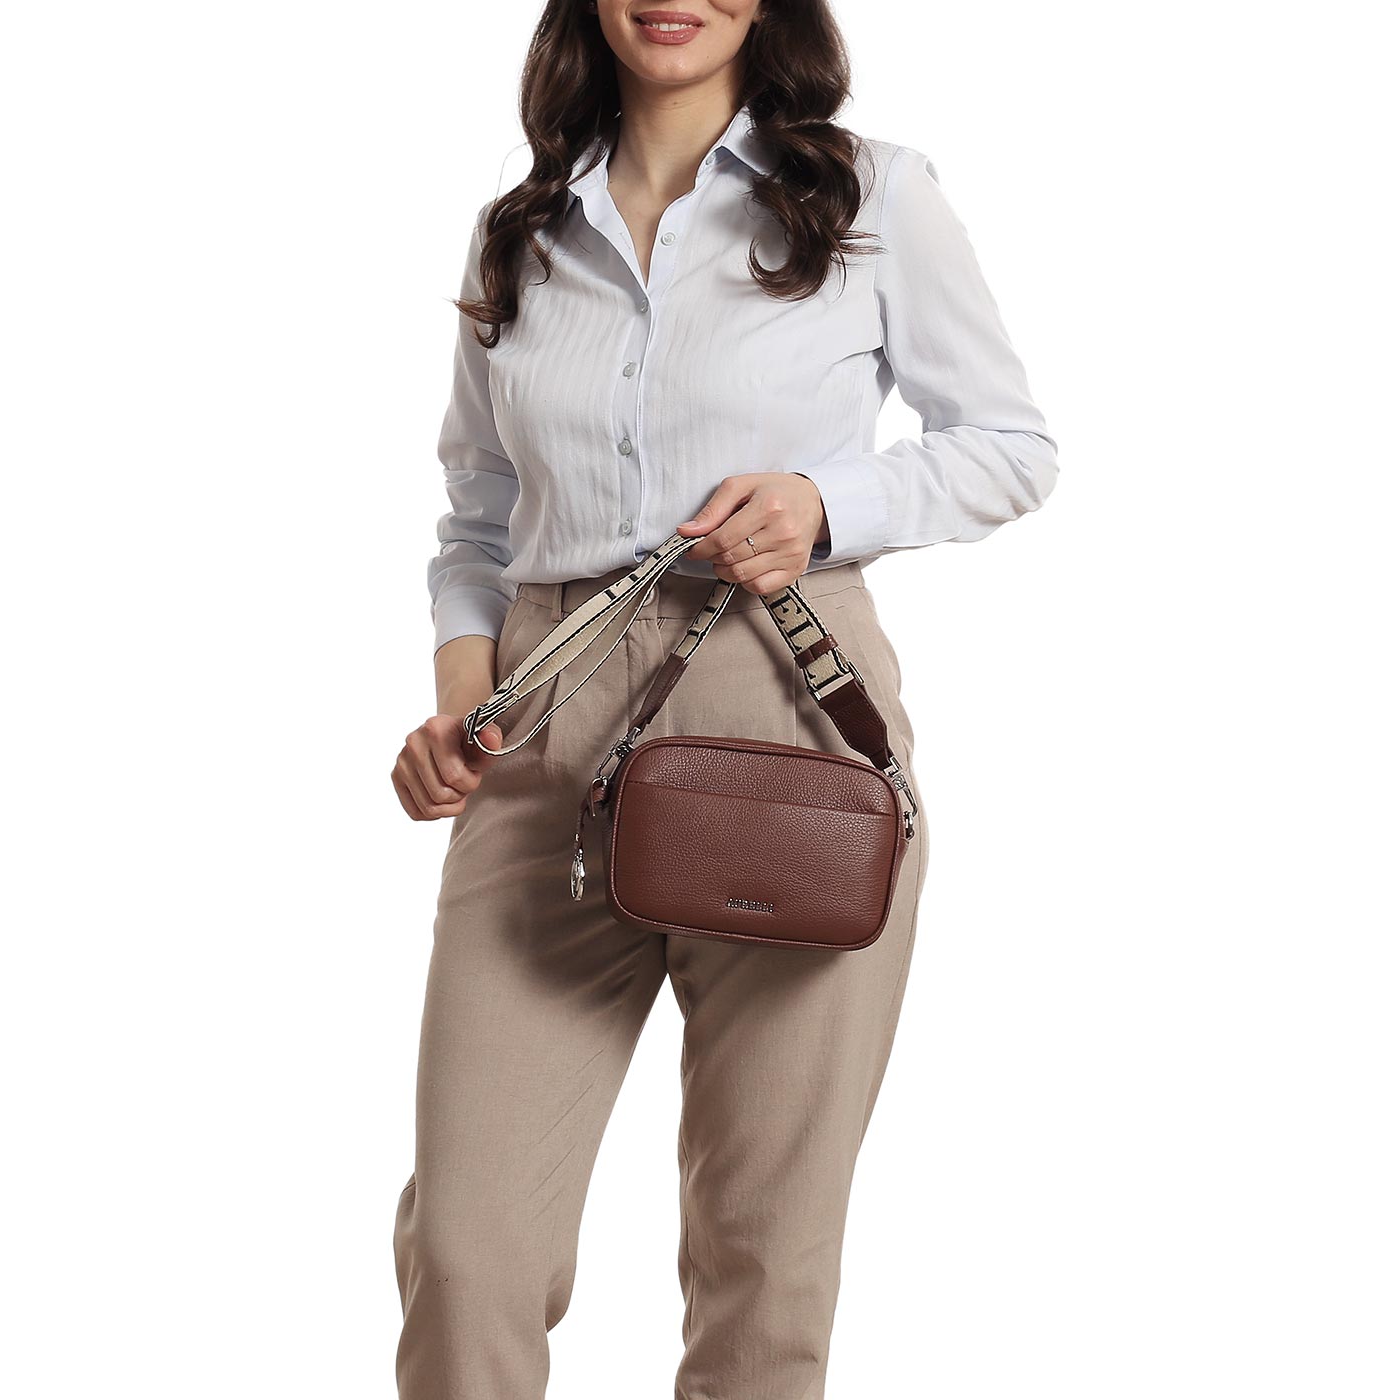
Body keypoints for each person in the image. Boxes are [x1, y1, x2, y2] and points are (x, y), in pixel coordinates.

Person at [389, 3, 1058, 1395]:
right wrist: (463, 695)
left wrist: (827, 500)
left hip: (785, 704)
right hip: (544, 720)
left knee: (766, 1259)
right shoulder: (520, 232)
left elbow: (1009, 446)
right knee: (466, 1248)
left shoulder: (874, 197)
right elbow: (479, 512)